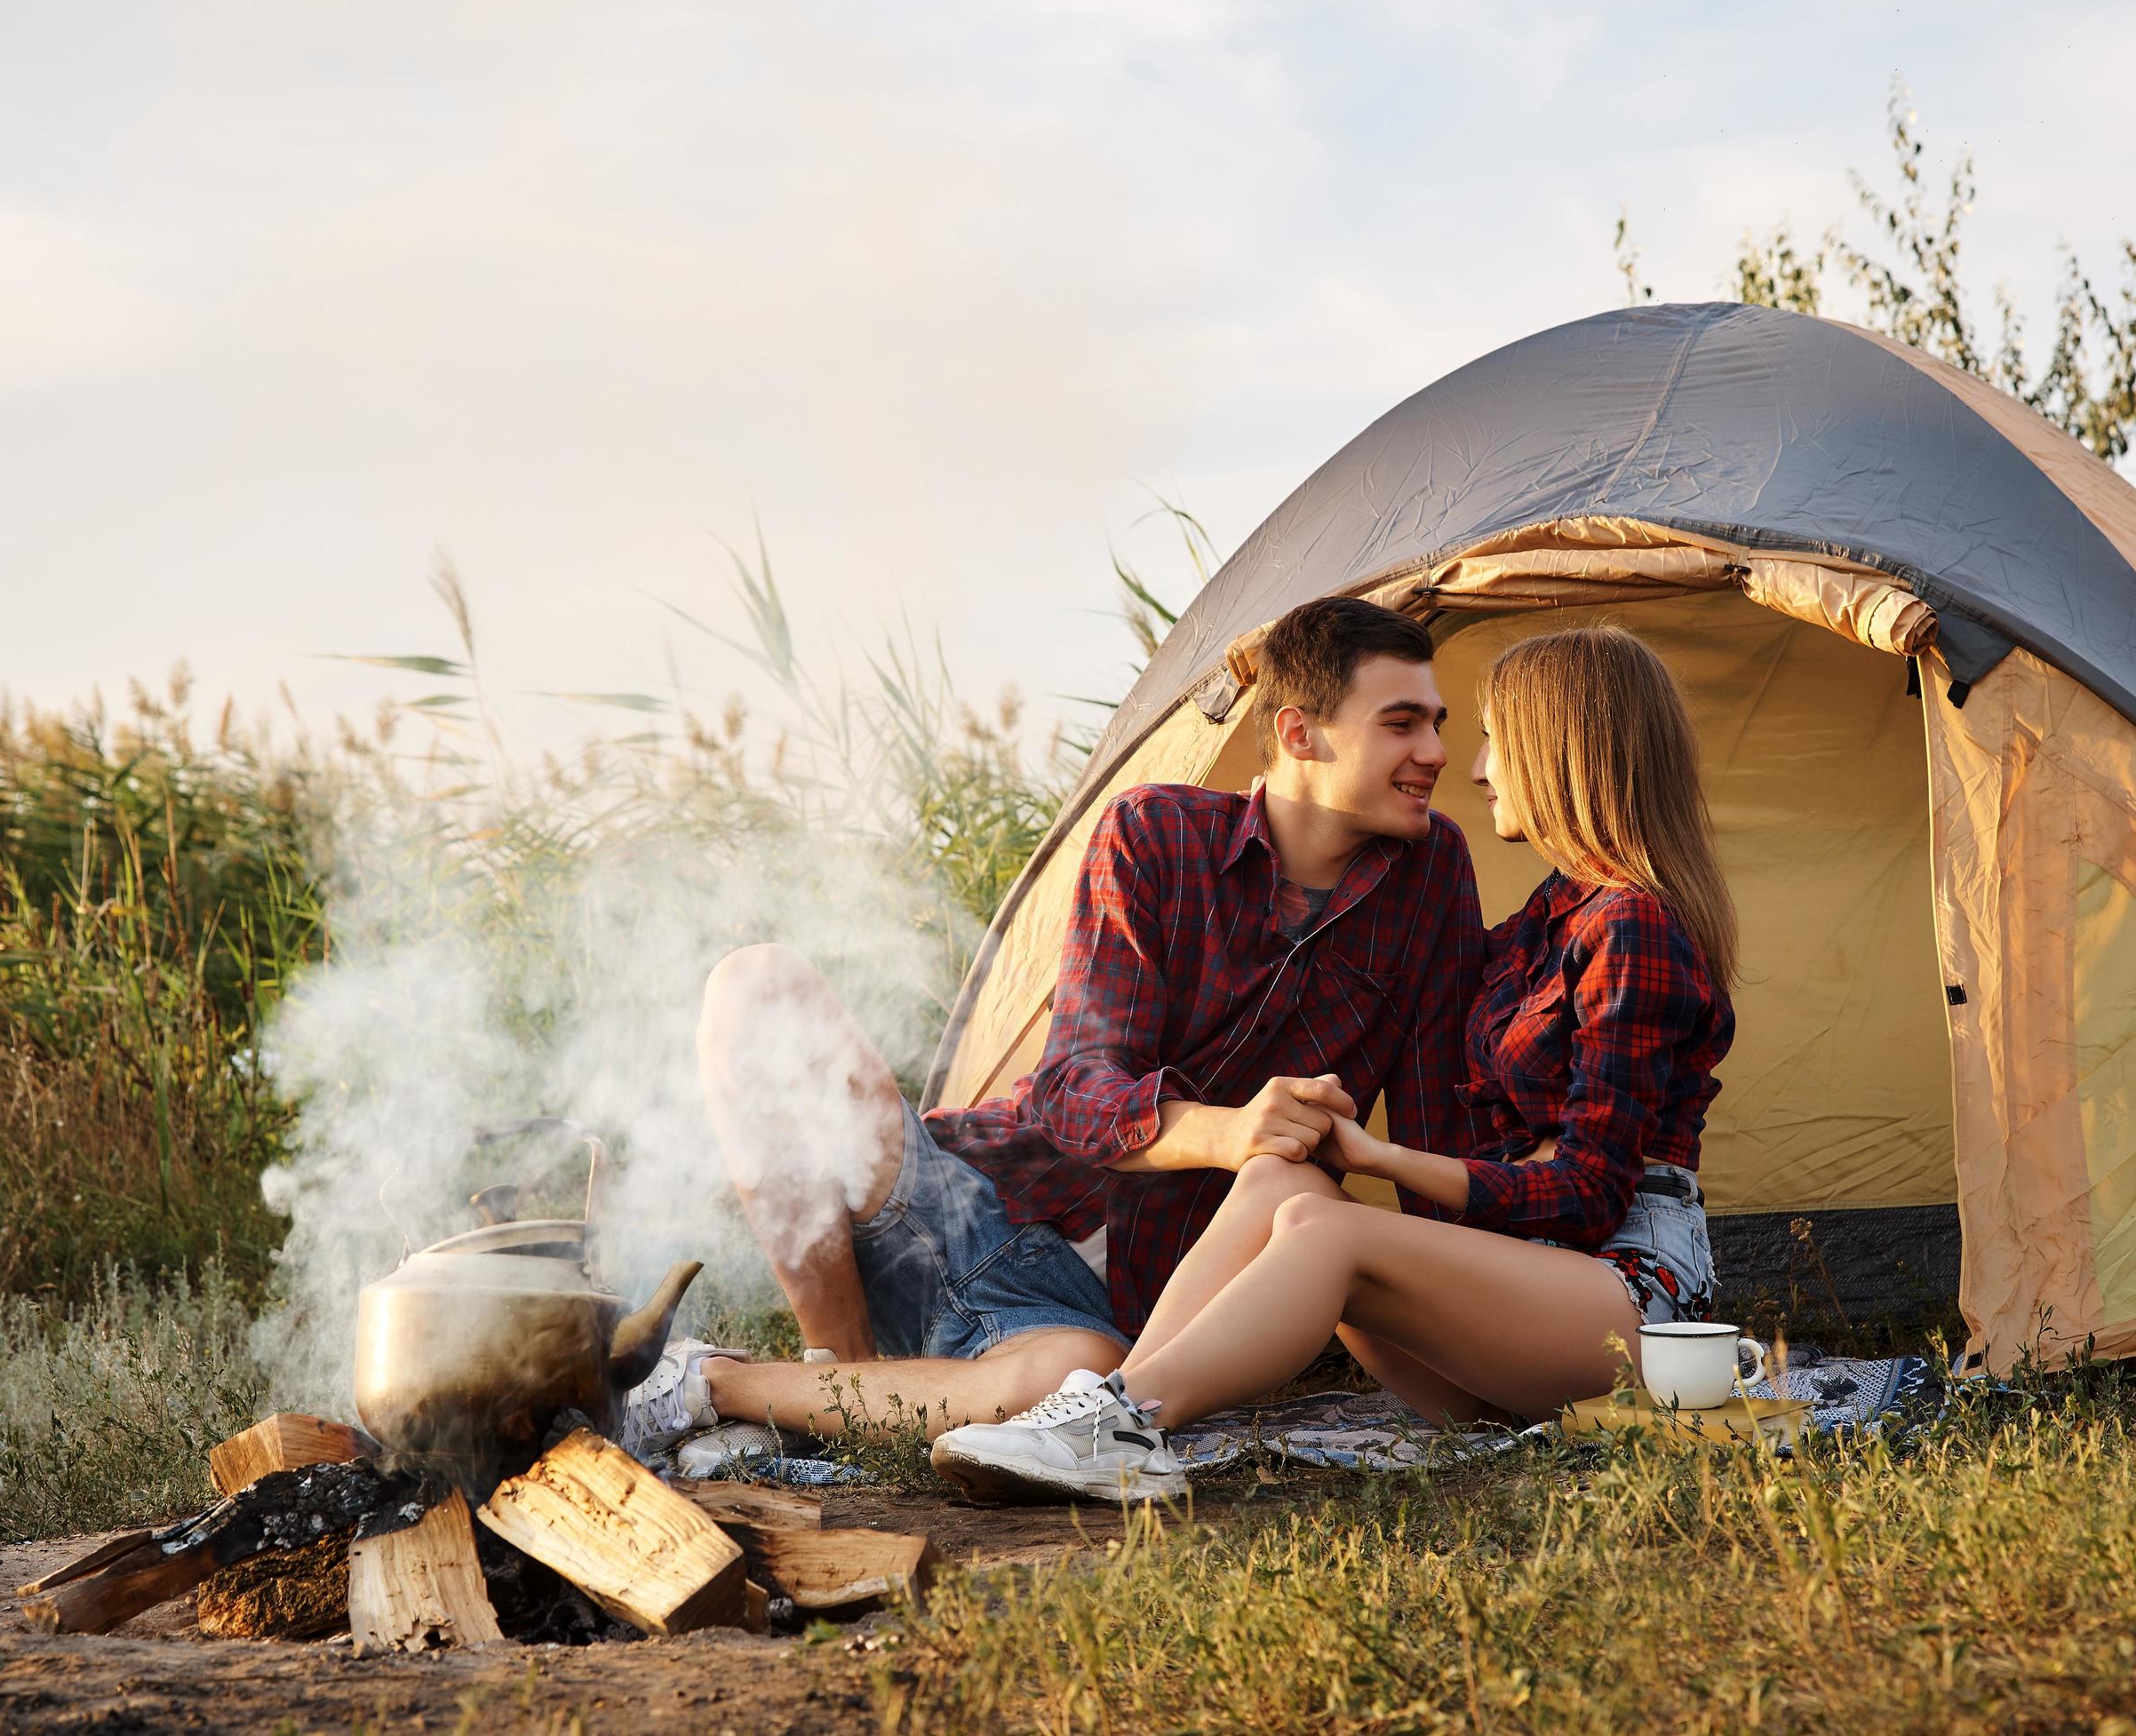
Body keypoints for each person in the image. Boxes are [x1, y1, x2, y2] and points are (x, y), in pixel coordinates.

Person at [624, 598, 1487, 1456]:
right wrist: (1227, 1132)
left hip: (1108, 1320)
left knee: (1071, 1385)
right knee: (757, 984)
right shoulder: (1155, 834)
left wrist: (1480, 1335)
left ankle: (716, 1383)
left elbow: (1432, 1124)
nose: (1435, 755)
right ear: (1301, 733)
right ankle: (835, 1366)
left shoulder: (1433, 871)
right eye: (1401, 723)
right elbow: (1071, 1093)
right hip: (976, 1208)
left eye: (1437, 724)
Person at [928, 625, 1739, 1502]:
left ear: (1560, 751)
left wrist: (1376, 1157)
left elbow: (1587, 1194)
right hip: (1518, 1318)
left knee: (1331, 1226)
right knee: (1283, 1184)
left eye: (1492, 739)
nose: (1468, 767)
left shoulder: (1635, 931)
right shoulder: (1544, 921)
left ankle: (1126, 1418)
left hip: (1624, 1309)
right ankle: (1107, 1414)